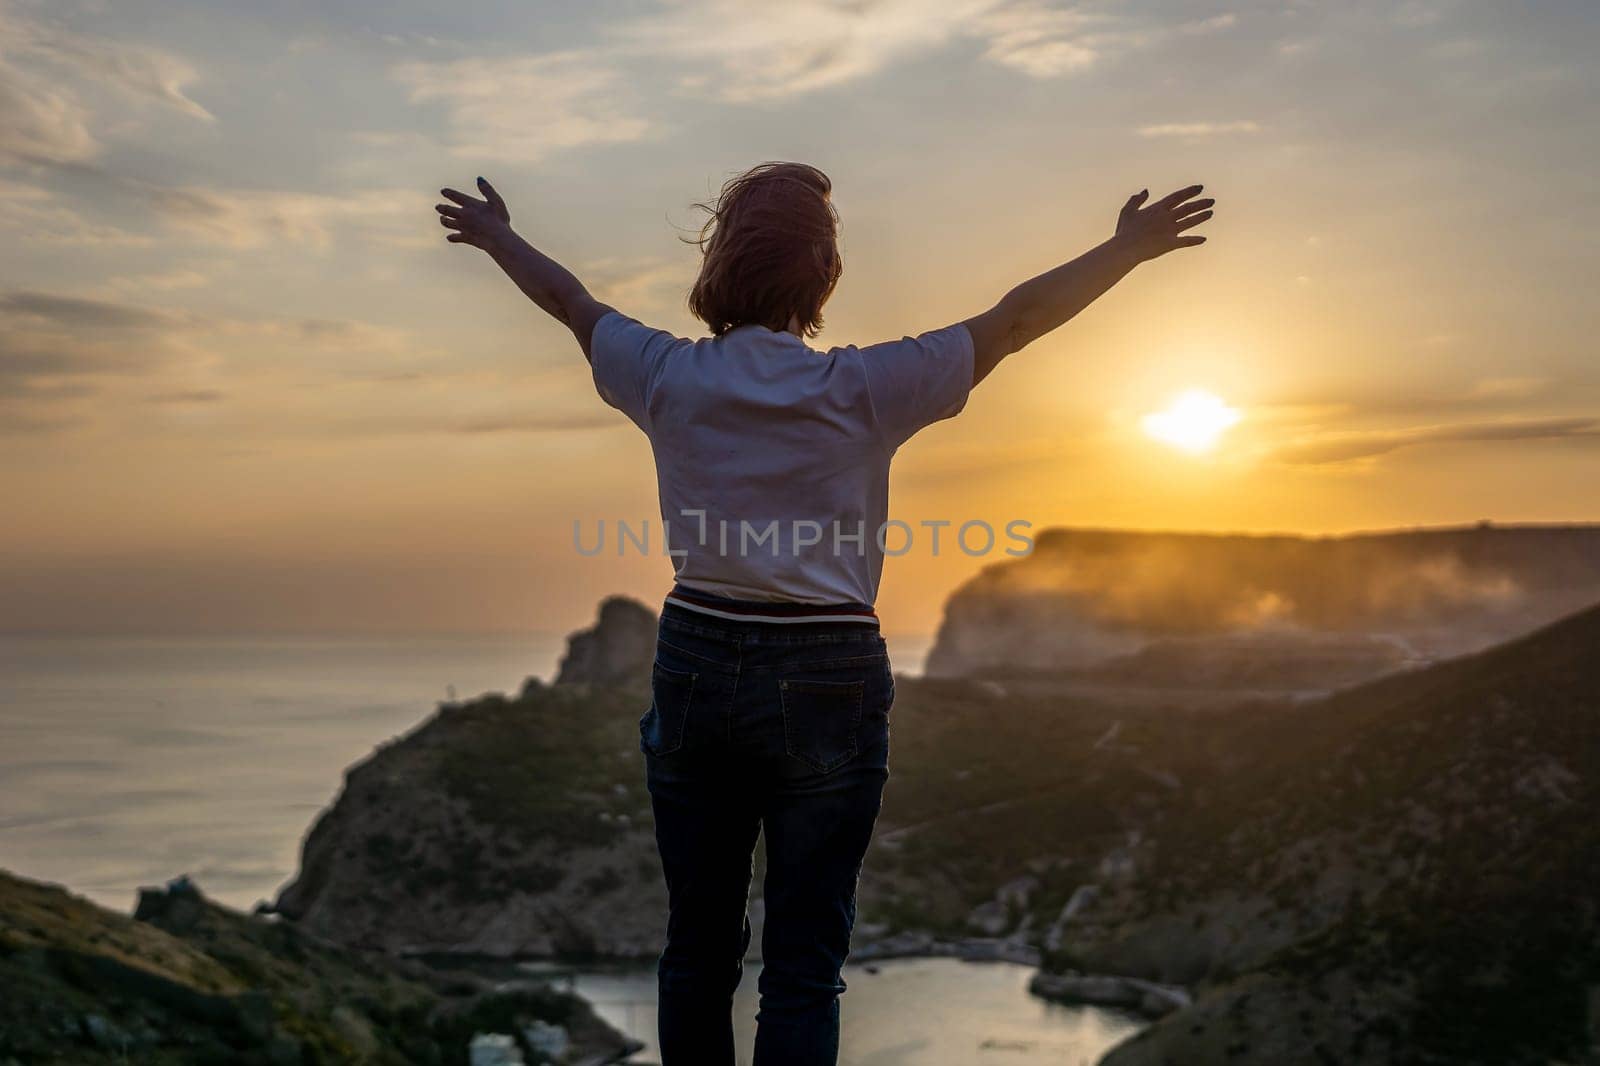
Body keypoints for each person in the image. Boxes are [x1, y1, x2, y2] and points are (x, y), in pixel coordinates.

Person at [436, 162, 1213, 1066]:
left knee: (697, 951)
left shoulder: (663, 375)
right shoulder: (870, 386)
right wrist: (1123, 252)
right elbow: (1014, 320)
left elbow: (569, 301)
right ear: (823, 279)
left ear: (717, 267)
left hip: (697, 659)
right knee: (803, 965)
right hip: (829, 672)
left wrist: (497, 238)